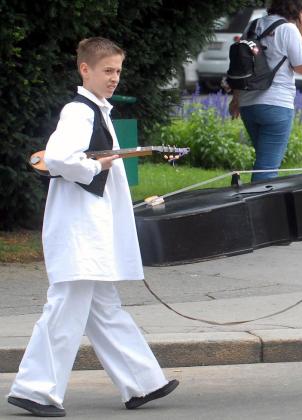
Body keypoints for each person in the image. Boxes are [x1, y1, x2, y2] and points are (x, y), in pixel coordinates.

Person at [7, 37, 178, 417]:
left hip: (88, 231)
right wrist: (94, 167)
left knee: (103, 309)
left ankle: (143, 382)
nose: (114, 77)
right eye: (107, 70)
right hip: (79, 232)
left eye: (118, 70)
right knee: (65, 309)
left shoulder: (97, 110)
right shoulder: (78, 111)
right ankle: (35, 390)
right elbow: (57, 158)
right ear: (85, 69)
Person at [228, 0, 302, 182]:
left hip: (248, 104)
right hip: (276, 104)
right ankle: (257, 200)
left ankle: (249, 195)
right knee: (267, 169)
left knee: (263, 162)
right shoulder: (288, 29)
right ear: (299, 10)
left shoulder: (252, 26)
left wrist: (236, 99)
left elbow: (240, 65)